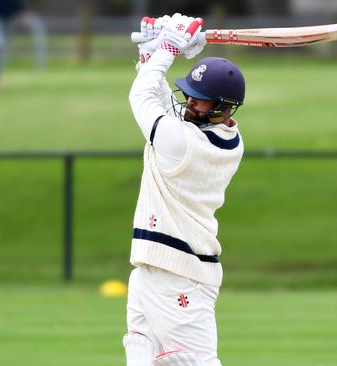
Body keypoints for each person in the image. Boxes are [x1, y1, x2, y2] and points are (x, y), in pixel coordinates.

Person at [123, 14, 246, 366]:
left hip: (180, 278)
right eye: (189, 95)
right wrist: (150, 55)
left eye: (199, 100)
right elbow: (161, 103)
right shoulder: (226, 138)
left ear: (221, 108)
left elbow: (143, 96)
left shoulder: (182, 143)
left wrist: (167, 48)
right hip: (156, 270)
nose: (189, 103)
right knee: (142, 356)